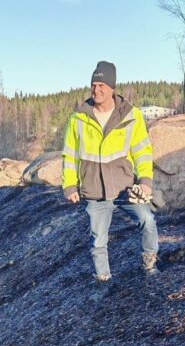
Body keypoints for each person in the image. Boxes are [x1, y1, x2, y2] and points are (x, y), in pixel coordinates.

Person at [62, 61, 158, 282]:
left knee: (148, 220)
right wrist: (69, 185)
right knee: (97, 240)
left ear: (112, 87)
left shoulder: (131, 116)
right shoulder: (79, 118)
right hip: (94, 190)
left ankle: (150, 265)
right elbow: (69, 155)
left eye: (101, 85)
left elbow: (143, 151)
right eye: (93, 85)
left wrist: (145, 181)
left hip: (126, 188)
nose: (96, 90)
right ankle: (103, 279)